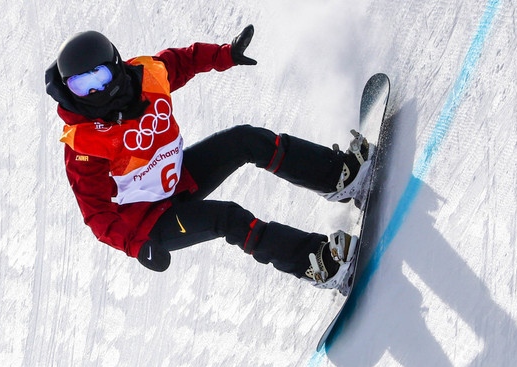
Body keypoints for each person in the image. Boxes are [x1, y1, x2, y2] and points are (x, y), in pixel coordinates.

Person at [44, 26, 373, 289]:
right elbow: (97, 216)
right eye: (79, 85)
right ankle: (318, 264)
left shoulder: (147, 77)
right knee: (228, 219)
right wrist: (136, 246)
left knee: (245, 140)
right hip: (150, 222)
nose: (93, 92)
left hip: (178, 178)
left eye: (97, 78)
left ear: (116, 66)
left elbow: (181, 62)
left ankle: (337, 177)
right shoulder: (83, 145)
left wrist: (225, 54)